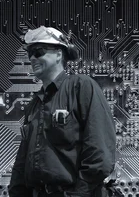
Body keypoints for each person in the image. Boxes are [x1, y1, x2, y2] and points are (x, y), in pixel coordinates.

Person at [10, 26, 116, 197]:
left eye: (38, 52)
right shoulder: (34, 105)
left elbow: (100, 153)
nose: (32, 58)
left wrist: (78, 194)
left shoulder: (81, 87)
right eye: (30, 53)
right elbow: (22, 161)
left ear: (59, 54)